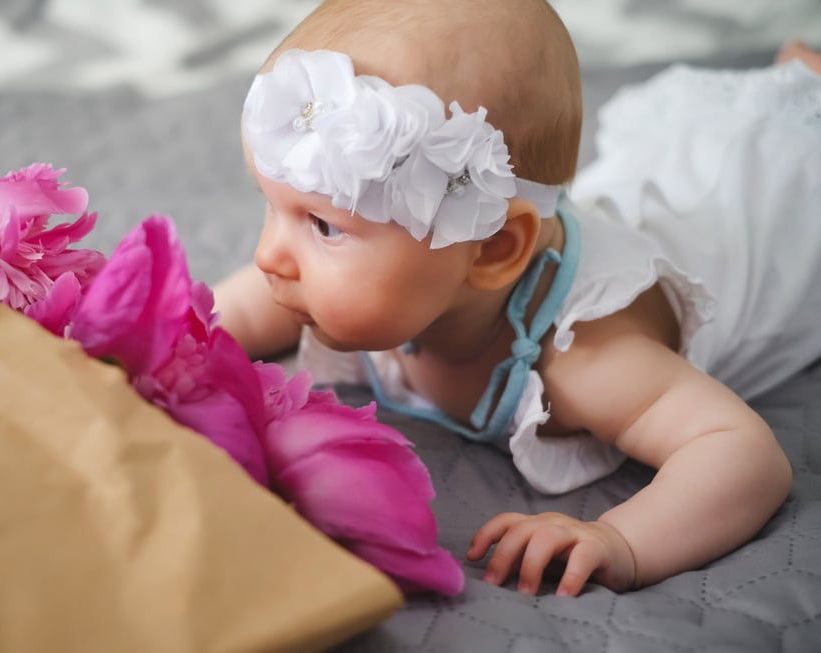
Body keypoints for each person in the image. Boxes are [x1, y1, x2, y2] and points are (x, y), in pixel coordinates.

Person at [214, 0, 821, 596]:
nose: (270, 257)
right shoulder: (392, 267)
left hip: (773, 222)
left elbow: (741, 451)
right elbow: (242, 308)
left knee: (778, 154)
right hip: (627, 205)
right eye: (274, 207)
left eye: (323, 226)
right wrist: (171, 332)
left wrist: (620, 539)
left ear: (493, 251)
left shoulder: (587, 356)